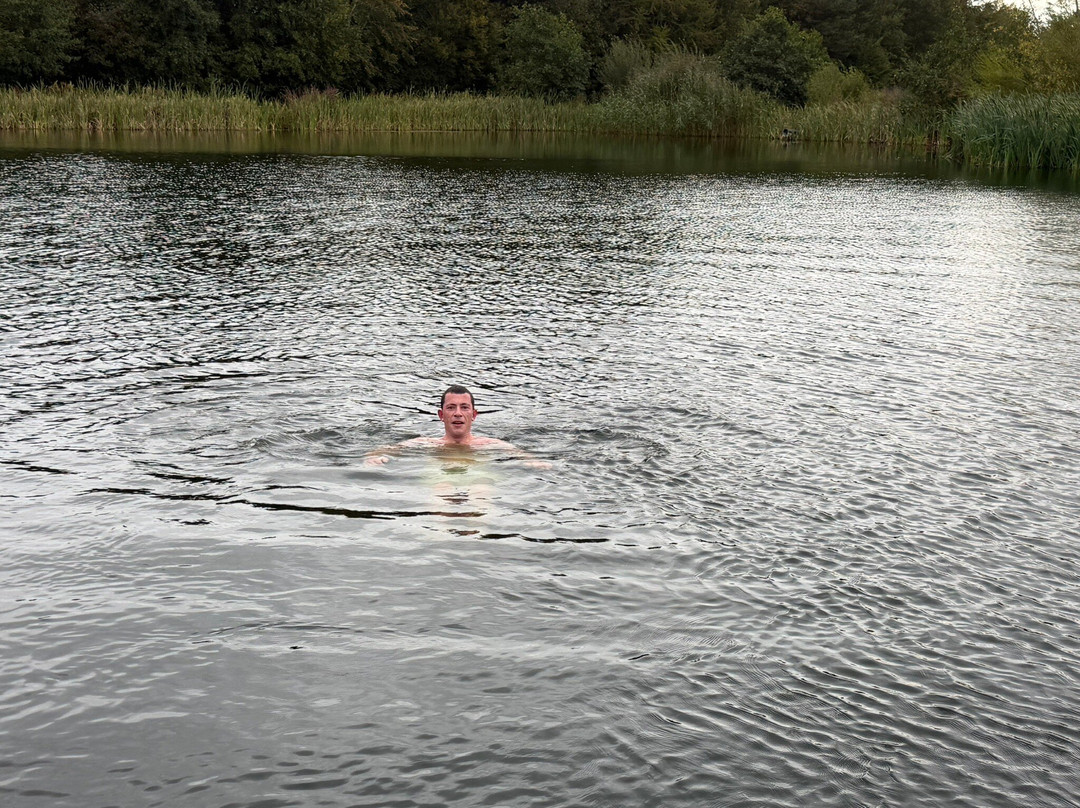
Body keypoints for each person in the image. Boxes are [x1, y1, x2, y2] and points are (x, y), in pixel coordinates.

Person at [364, 385, 547, 467]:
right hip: (438, 481)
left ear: (474, 415)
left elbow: (522, 455)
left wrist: (533, 461)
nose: (458, 413)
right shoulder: (425, 443)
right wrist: (373, 458)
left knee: (480, 492)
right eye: (451, 408)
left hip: (479, 480)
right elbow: (383, 450)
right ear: (441, 415)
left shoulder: (490, 444)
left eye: (464, 407)